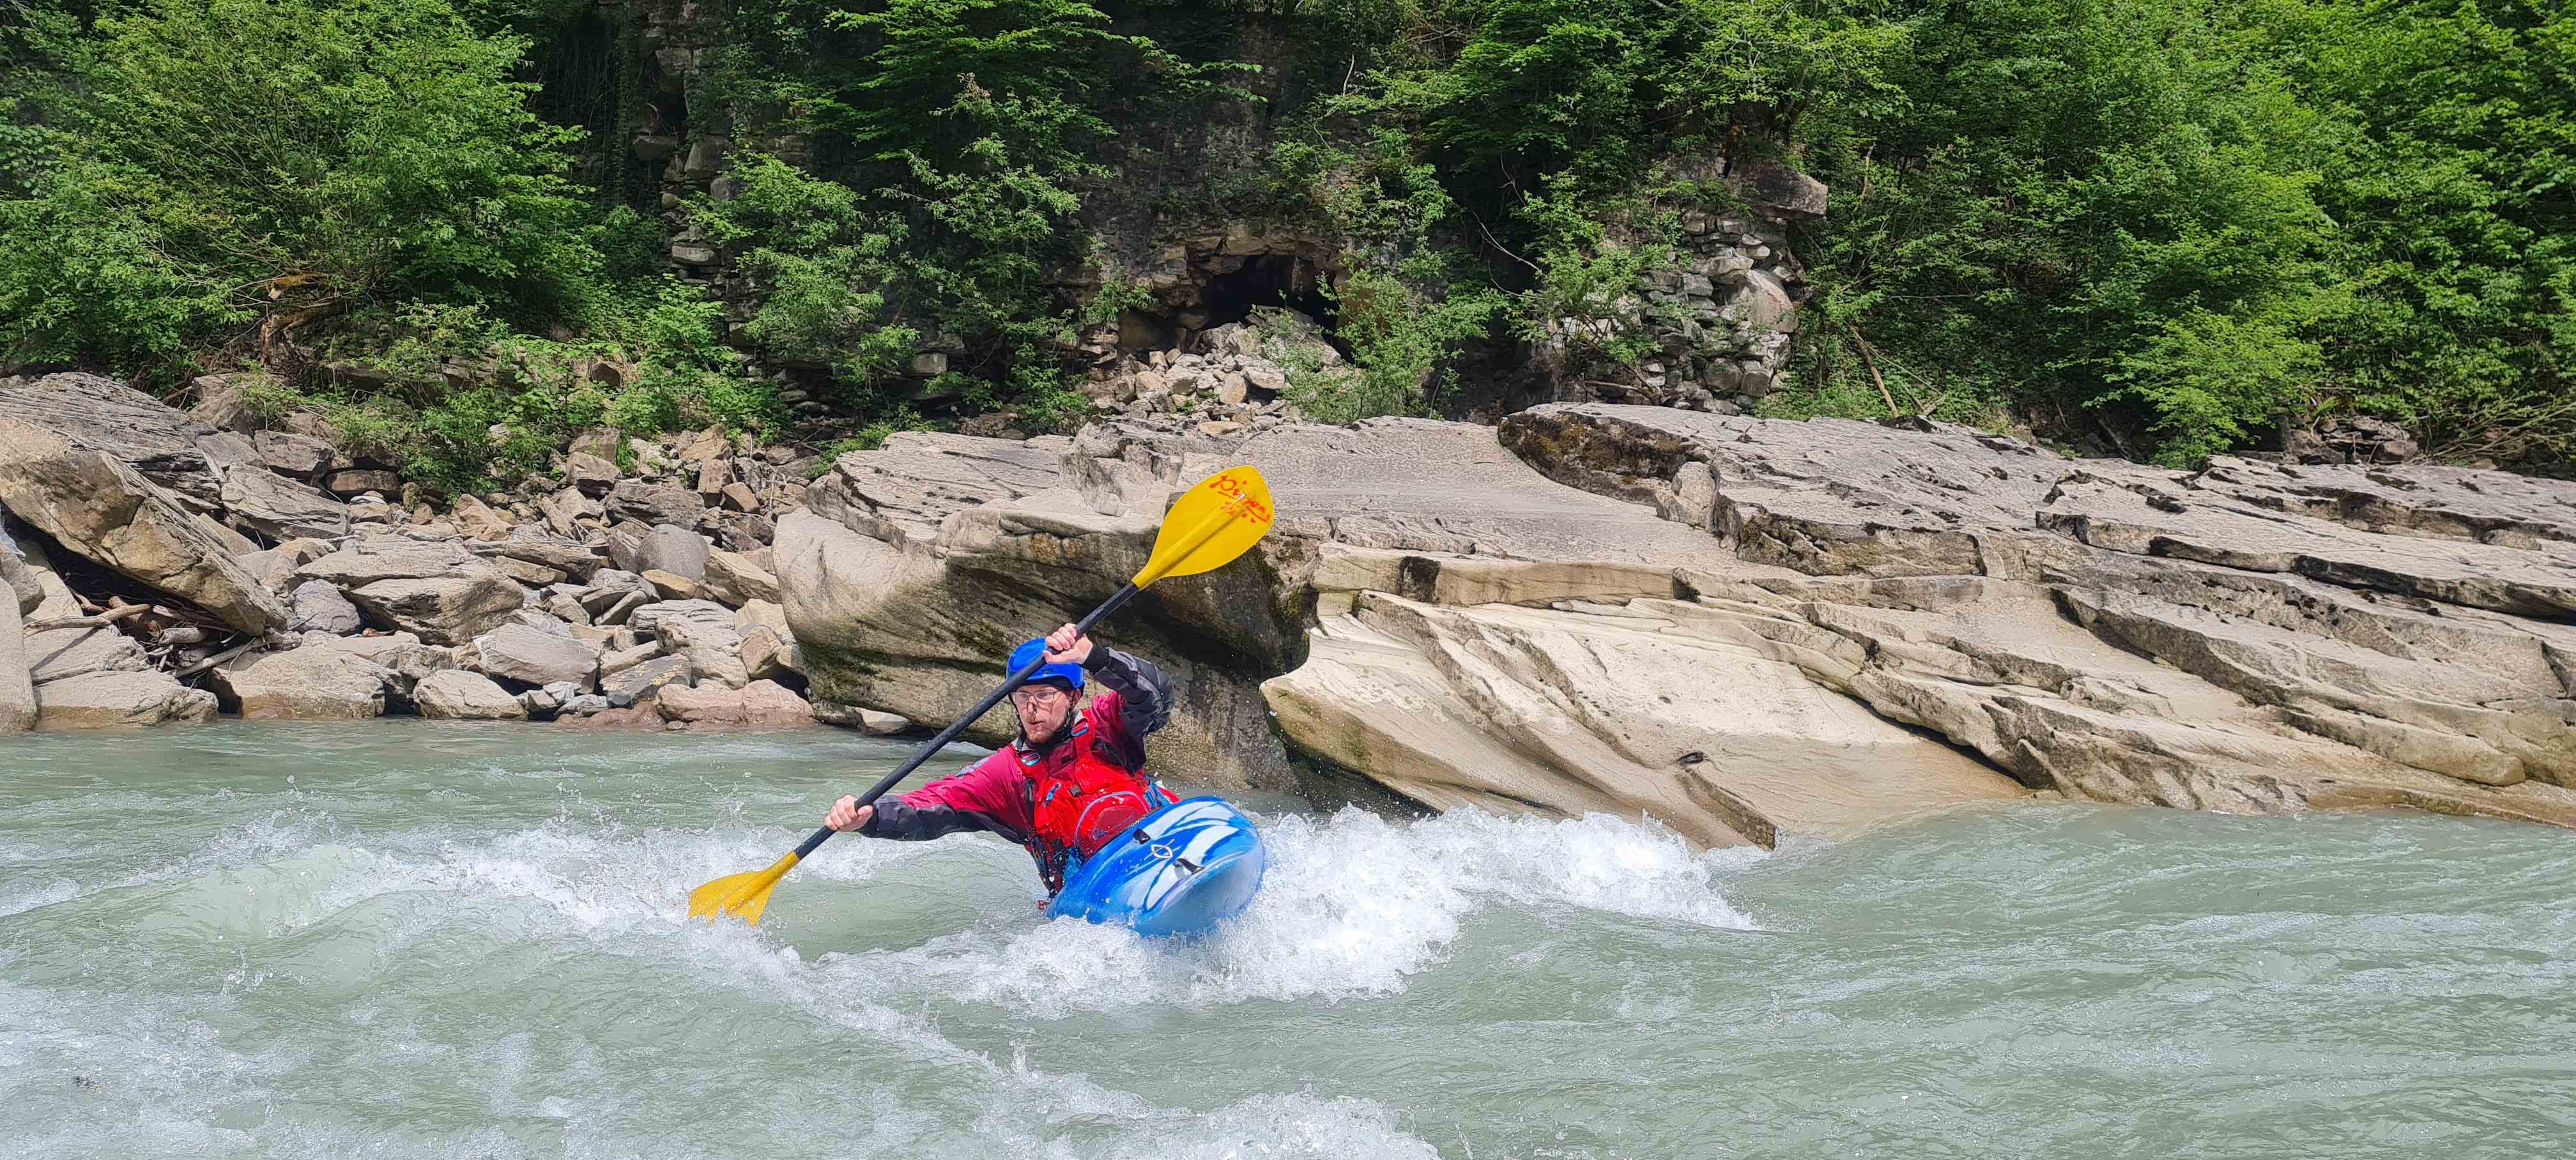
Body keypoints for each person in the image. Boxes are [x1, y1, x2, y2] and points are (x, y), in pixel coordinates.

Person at [824, 623, 1176, 897]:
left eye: (1044, 695)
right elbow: (932, 806)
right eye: (1022, 698)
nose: (1032, 708)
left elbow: (1155, 695)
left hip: (1166, 847)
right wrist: (870, 817)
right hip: (1095, 889)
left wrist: (1094, 657)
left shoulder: (1107, 725)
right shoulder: (1007, 773)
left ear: (1073, 696)